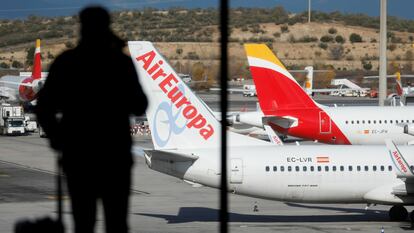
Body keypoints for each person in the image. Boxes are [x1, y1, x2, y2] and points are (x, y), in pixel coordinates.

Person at [36, 6, 147, 233]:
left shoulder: (66, 62)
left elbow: (44, 108)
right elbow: (140, 106)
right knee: (116, 222)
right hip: (114, 157)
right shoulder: (120, 63)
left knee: (83, 222)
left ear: (82, 27)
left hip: (79, 156)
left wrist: (58, 139)